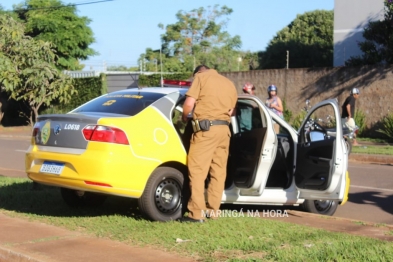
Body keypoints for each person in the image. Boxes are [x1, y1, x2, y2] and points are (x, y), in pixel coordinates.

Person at [181, 65, 237, 222]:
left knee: (198, 171)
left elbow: (189, 104)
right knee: (218, 172)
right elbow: (233, 111)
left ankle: (196, 214)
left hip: (206, 130)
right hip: (224, 131)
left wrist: (184, 118)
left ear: (198, 72)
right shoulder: (229, 83)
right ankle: (213, 211)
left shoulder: (201, 78)